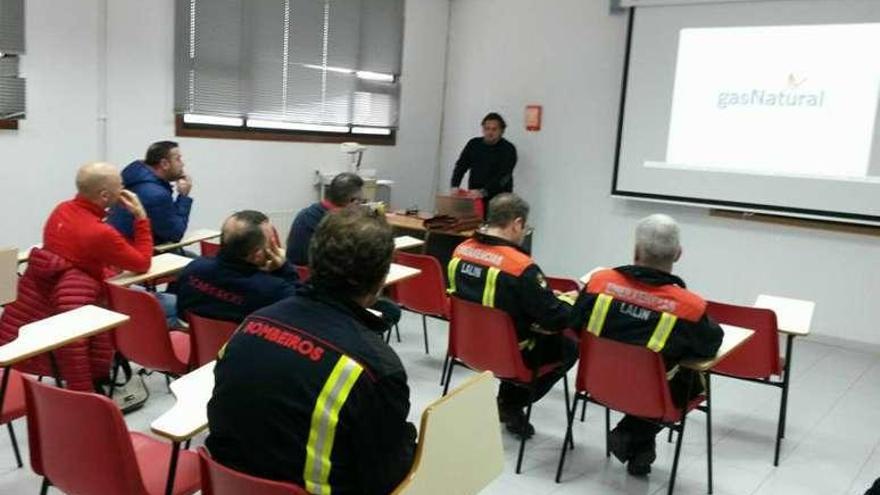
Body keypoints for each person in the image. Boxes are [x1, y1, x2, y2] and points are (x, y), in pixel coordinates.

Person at [207, 207, 416, 494]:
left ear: (313, 262)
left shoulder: (251, 325)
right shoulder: (375, 368)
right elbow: (386, 477)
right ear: (381, 279)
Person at [570, 214, 723, 477]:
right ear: (678, 254)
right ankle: (630, 435)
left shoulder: (598, 284)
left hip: (597, 384)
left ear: (636, 250)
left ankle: (639, 449)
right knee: (690, 378)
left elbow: (573, 325)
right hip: (651, 396)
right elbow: (709, 347)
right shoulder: (690, 308)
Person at [0, 162, 153, 391]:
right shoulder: (99, 232)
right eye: (120, 185)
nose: (124, 189)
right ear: (104, 195)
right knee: (149, 304)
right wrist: (140, 217)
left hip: (46, 299)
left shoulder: (60, 210)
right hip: (78, 301)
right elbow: (142, 262)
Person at [447, 193, 577, 438]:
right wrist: (568, 301)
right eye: (524, 227)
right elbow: (554, 318)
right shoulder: (520, 267)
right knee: (569, 347)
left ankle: (508, 401)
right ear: (517, 224)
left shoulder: (460, 251)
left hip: (466, 347)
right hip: (509, 354)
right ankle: (511, 403)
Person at [285, 172, 401, 330]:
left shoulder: (304, 215)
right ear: (352, 201)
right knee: (390, 310)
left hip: (300, 285)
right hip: (328, 291)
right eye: (361, 202)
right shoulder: (339, 228)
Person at [176, 210, 299, 323]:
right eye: (271, 243)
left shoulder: (193, 269)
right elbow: (301, 311)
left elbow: (181, 313)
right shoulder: (274, 291)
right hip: (244, 346)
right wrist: (284, 268)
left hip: (201, 344)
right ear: (257, 254)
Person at [108, 140, 193, 245]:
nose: (182, 164)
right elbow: (175, 234)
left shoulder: (133, 177)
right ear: (164, 164)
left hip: (119, 247)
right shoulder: (156, 194)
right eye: (178, 159)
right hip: (140, 253)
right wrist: (183, 197)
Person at [285, 172, 364, 266]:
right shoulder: (340, 225)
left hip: (295, 273)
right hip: (315, 276)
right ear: (352, 201)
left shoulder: (305, 213)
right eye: (360, 202)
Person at [450, 112, 517, 204]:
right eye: (487, 129)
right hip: (475, 196)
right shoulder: (473, 144)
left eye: (494, 129)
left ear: (501, 131)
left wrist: (484, 192)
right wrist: (455, 185)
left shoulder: (508, 149)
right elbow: (461, 165)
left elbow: (504, 176)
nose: (490, 132)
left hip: (499, 199)